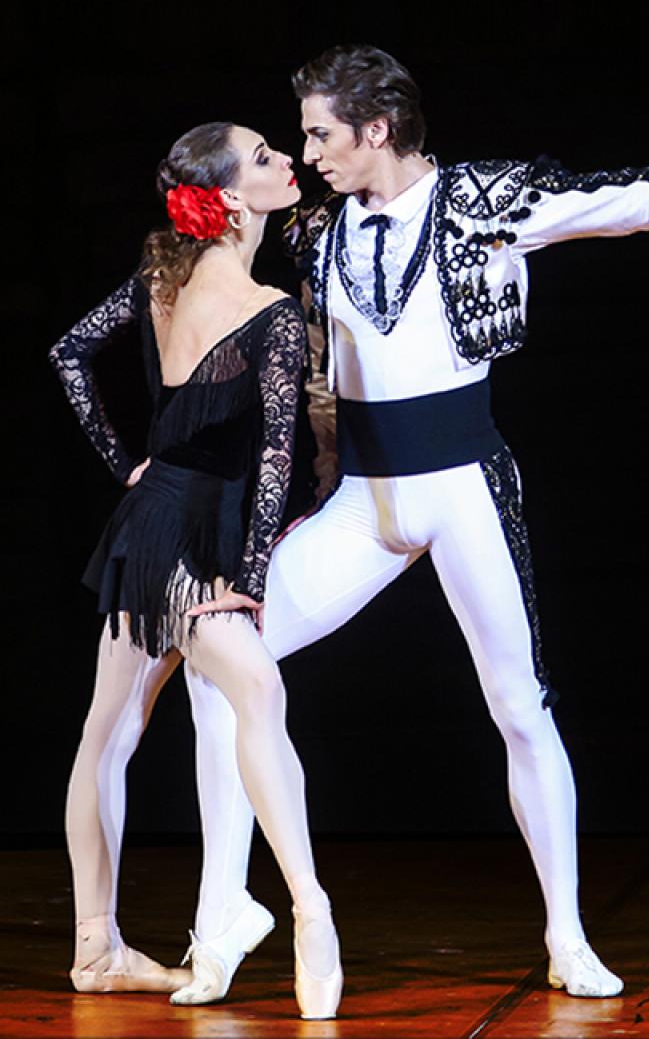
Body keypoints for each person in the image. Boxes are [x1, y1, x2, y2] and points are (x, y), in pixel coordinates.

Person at [86, 45, 649, 1006]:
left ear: (375, 129)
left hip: (462, 487)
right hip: (362, 503)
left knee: (519, 707)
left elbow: (639, 200)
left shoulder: (486, 202)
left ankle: (567, 934)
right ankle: (222, 919)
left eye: (319, 134)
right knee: (224, 667)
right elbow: (253, 336)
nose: (307, 153)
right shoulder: (313, 232)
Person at [48, 121, 343, 1020]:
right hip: (188, 539)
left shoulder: (162, 281)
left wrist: (126, 467)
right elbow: (277, 457)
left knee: (108, 735)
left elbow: (68, 353)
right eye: (264, 158)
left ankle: (96, 948)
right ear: (230, 199)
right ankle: (309, 911)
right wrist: (248, 577)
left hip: (148, 525)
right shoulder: (269, 311)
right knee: (255, 689)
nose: (285, 162)